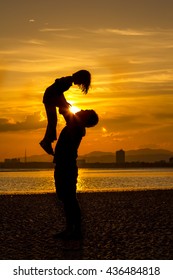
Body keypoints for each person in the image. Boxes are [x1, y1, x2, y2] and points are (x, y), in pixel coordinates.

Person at [53, 108, 99, 240]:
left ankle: (76, 230)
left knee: (70, 199)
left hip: (67, 166)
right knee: (65, 198)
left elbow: (65, 111)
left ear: (85, 119)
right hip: (63, 165)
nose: (81, 110)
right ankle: (70, 229)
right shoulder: (75, 125)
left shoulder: (77, 127)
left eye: (84, 111)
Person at [40, 70, 91, 155]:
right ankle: (46, 141)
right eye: (81, 81)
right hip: (50, 97)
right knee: (53, 121)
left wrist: (64, 102)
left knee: (53, 121)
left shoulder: (68, 82)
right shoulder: (67, 81)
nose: (79, 84)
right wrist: (62, 103)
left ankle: (47, 141)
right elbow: (57, 89)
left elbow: (60, 92)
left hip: (50, 96)